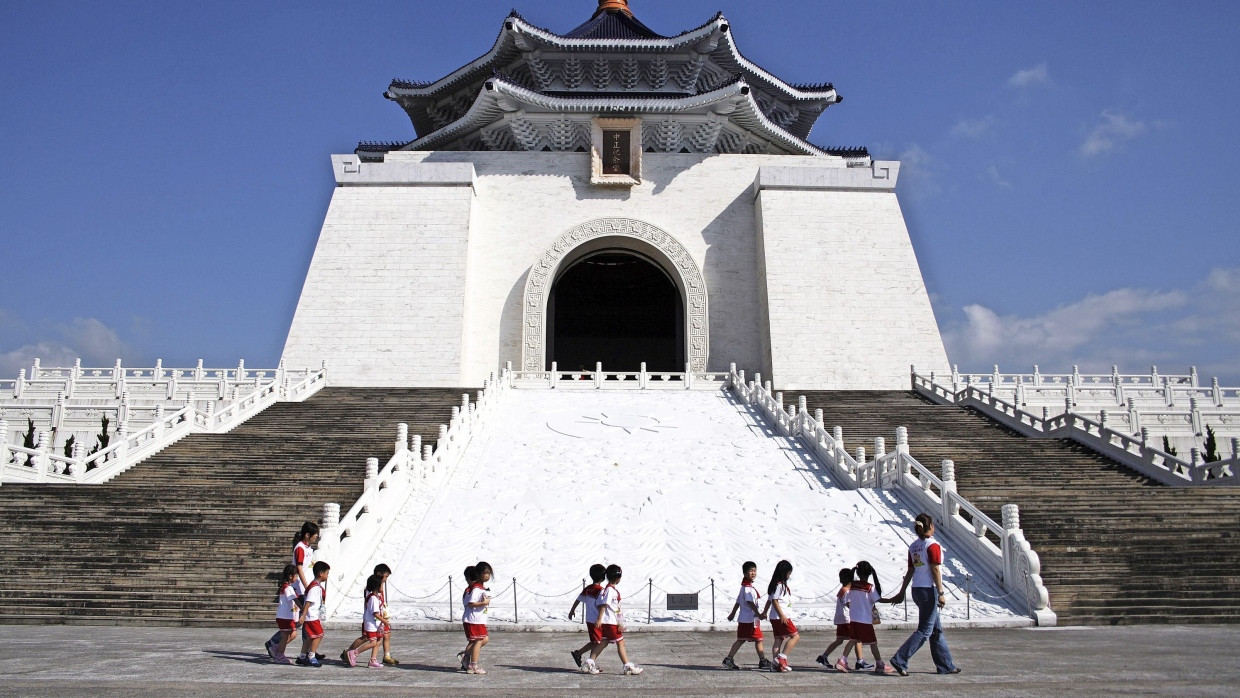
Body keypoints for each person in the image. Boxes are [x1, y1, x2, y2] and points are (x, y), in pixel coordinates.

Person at [884, 513, 961, 676]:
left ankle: (945, 665)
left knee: (935, 629)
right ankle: (900, 659)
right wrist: (941, 592)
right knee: (925, 630)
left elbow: (911, 570)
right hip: (928, 590)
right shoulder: (932, 545)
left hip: (917, 589)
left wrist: (902, 591)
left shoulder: (914, 546)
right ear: (930, 526)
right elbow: (935, 569)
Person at [265, 522, 320, 656]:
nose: (315, 538)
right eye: (314, 536)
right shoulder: (300, 548)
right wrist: (307, 586)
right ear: (307, 535)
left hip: (305, 586)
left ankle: (308, 649)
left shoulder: (307, 548)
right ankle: (275, 642)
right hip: (300, 587)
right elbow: (299, 568)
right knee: (301, 619)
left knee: (305, 618)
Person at [838, 560, 895, 674]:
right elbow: (878, 599)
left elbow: (847, 598)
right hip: (864, 620)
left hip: (854, 618)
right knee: (873, 643)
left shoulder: (852, 585)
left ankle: (842, 660)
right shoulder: (869, 587)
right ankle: (880, 664)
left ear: (857, 573)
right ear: (869, 574)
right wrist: (893, 599)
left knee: (853, 640)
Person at [586, 564, 643, 675]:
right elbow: (604, 604)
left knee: (603, 642)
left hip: (610, 621)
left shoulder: (609, 589)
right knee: (620, 642)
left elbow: (613, 606)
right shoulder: (610, 590)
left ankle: (590, 662)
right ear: (618, 578)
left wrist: (619, 621)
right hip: (610, 622)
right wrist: (599, 619)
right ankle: (627, 666)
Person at [815, 567, 868, 671]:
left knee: (839, 640)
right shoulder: (847, 591)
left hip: (840, 619)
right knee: (857, 639)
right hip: (847, 619)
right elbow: (849, 605)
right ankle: (859, 661)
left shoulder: (842, 590)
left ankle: (824, 656)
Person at [723, 561, 770, 670]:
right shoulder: (747, 588)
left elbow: (738, 601)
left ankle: (762, 660)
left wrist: (733, 613)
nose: (753, 573)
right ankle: (729, 659)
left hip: (748, 619)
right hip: (749, 620)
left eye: (754, 570)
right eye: (750, 571)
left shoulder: (745, 587)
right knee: (750, 639)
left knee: (753, 639)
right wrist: (759, 614)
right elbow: (750, 603)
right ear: (744, 573)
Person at [762, 559, 798, 672]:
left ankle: (775, 664)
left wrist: (764, 612)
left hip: (775, 617)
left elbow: (769, 600)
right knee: (795, 636)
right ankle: (781, 658)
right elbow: (774, 601)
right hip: (780, 617)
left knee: (778, 639)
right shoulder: (779, 585)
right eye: (788, 573)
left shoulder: (774, 584)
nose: (789, 575)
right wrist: (782, 615)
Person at [568, 563, 607, 668]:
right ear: (603, 577)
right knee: (598, 642)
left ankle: (589, 661)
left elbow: (578, 599)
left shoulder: (588, 588)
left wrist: (572, 610)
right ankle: (579, 654)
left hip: (589, 619)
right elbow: (601, 605)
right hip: (596, 620)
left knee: (595, 641)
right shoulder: (600, 590)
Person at [296, 561, 330, 667]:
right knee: (319, 635)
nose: (327, 576)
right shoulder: (315, 588)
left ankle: (302, 656)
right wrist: (303, 614)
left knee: (310, 637)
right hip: (311, 616)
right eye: (327, 573)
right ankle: (311, 655)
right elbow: (308, 602)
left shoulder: (315, 586)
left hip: (312, 615)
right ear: (321, 573)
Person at [461, 561, 492, 675]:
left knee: (482, 639)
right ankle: (473, 665)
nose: (488, 576)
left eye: (489, 573)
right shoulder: (476, 589)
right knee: (478, 640)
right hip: (474, 620)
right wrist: (484, 603)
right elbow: (471, 603)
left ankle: (466, 657)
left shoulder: (479, 588)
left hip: (478, 619)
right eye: (485, 573)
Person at [269, 564, 301, 663]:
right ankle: (279, 654)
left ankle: (276, 649)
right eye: (296, 576)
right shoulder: (288, 588)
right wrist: (304, 609)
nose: (296, 578)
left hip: (283, 616)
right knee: (287, 635)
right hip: (285, 617)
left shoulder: (285, 587)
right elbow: (295, 600)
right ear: (290, 576)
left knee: (291, 634)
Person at [374, 563, 398, 665]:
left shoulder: (381, 585)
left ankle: (386, 655)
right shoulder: (373, 585)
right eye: (385, 577)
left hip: (382, 614)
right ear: (379, 574)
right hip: (376, 617)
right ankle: (351, 652)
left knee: (387, 635)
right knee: (374, 638)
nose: (386, 579)